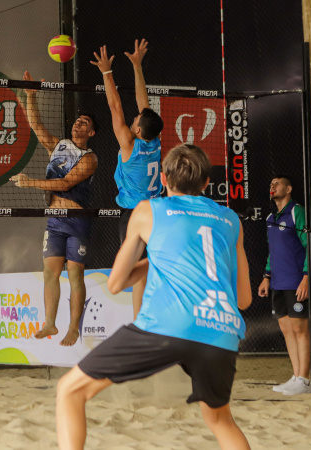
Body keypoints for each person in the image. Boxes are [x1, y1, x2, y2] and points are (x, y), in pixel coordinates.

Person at [56, 144, 252, 450]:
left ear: (163, 179)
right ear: (205, 184)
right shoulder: (230, 220)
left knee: (69, 391)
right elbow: (243, 300)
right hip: (223, 331)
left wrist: (153, 261)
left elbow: (116, 284)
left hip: (167, 325)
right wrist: (163, 260)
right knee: (220, 421)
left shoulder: (149, 210)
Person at [10, 70, 98, 346]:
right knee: (50, 273)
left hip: (76, 219)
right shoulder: (59, 145)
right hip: (54, 220)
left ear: (91, 133)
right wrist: (30, 96)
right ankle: (49, 323)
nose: (78, 124)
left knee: (75, 275)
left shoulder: (89, 158)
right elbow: (36, 126)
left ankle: (73, 327)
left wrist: (30, 183)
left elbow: (64, 184)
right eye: (77, 121)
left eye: (84, 123)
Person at [90, 39, 164, 319]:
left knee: (137, 268)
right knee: (151, 265)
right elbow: (143, 104)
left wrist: (107, 72)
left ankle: (139, 322)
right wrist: (136, 65)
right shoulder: (154, 140)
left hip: (136, 213)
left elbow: (115, 105)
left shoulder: (129, 145)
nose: (134, 119)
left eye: (136, 121)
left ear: (138, 129)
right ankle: (148, 318)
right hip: (158, 210)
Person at [257, 176, 310, 395]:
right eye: (271, 183)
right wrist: (266, 276)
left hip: (296, 281)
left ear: (288, 188)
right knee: (286, 329)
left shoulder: (297, 211)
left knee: (300, 329)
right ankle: (296, 376)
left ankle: (305, 380)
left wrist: (306, 277)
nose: (272, 186)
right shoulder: (271, 217)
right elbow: (274, 250)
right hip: (278, 282)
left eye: (277, 183)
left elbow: (310, 246)